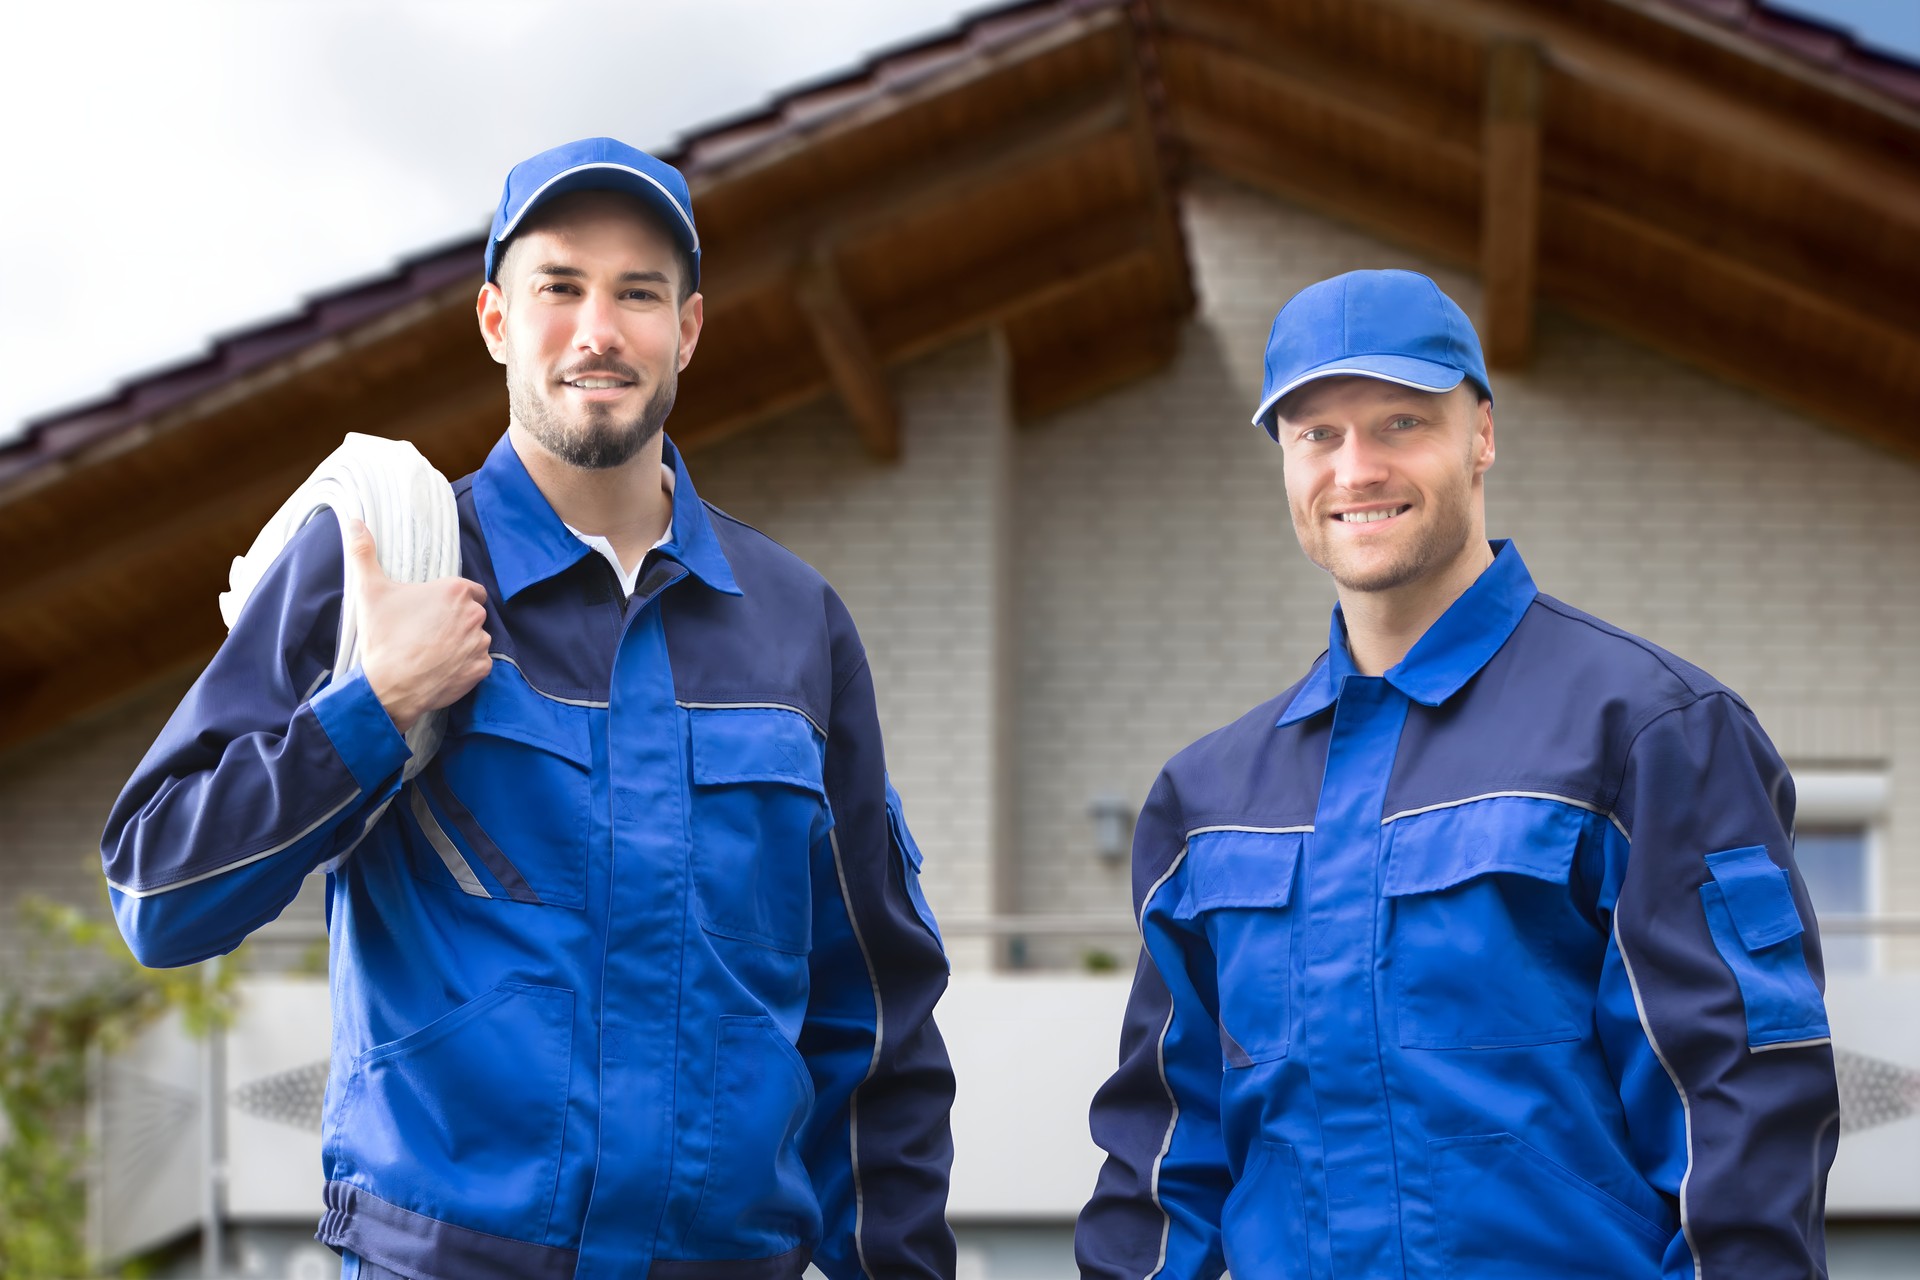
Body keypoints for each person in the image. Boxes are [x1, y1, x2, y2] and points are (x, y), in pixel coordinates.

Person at [101, 137, 956, 1280]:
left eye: (637, 292)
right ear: (498, 319)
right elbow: (159, 885)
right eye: (559, 286)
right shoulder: (379, 564)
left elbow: (875, 1026)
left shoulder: (795, 625)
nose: (597, 329)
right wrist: (374, 704)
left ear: (688, 330)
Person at [1074, 269, 1839, 1279]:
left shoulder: (1650, 734)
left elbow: (1744, 1124)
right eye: (1317, 434)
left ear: (1482, 433)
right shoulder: (1208, 803)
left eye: (1400, 421)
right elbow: (1165, 1160)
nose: (1356, 468)